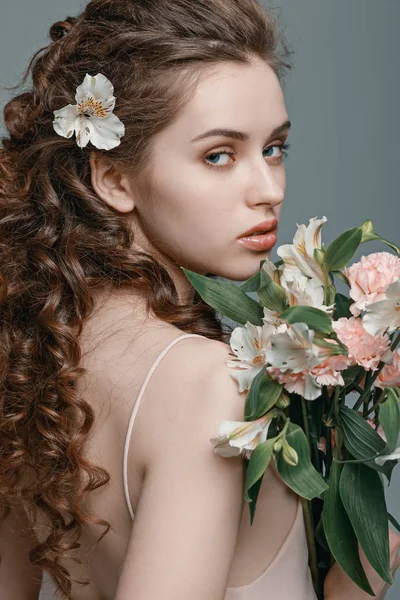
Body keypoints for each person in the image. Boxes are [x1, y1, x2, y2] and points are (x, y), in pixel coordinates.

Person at [0, 1, 399, 599]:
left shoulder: (32, 358)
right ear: (113, 177)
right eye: (219, 155)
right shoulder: (209, 385)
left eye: (274, 148)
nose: (270, 190)